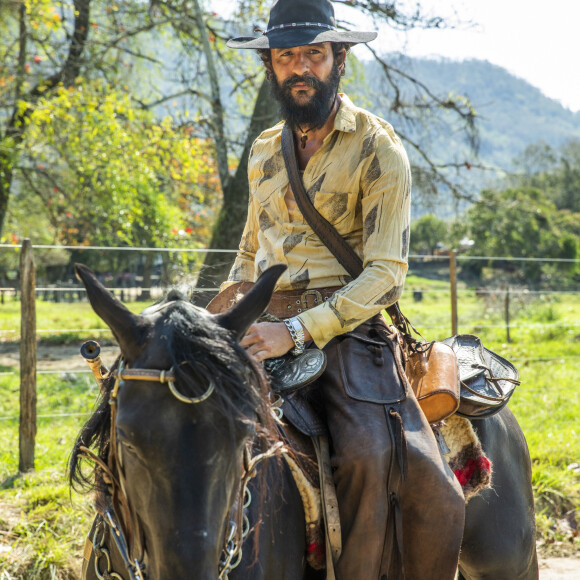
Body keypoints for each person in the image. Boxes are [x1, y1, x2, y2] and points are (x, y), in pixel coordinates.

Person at [220, 1, 465, 578]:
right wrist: (223, 312)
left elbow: (385, 274)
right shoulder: (262, 152)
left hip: (348, 325)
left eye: (314, 53)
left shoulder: (379, 149)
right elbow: (249, 252)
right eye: (286, 56)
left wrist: (296, 331)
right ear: (271, 67)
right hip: (262, 318)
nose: (300, 67)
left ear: (339, 59)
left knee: (367, 455)